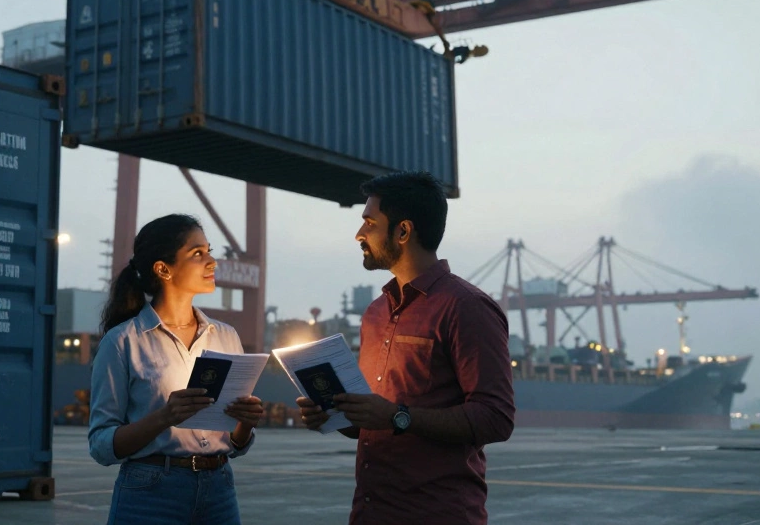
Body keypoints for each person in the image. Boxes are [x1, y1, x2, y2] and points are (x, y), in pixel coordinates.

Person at [297, 172, 515, 524]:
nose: (359, 235)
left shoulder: (467, 307)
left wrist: (397, 416)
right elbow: (374, 422)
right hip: (371, 512)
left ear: (403, 231)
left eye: (369, 222)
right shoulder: (375, 314)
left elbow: (496, 418)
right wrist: (336, 415)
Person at [89, 214, 264, 525]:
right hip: (150, 492)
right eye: (198, 254)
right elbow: (102, 445)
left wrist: (245, 424)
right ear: (163, 269)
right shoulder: (122, 342)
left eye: (209, 251)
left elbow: (234, 443)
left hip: (220, 487)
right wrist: (165, 417)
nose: (212, 262)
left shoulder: (225, 336)